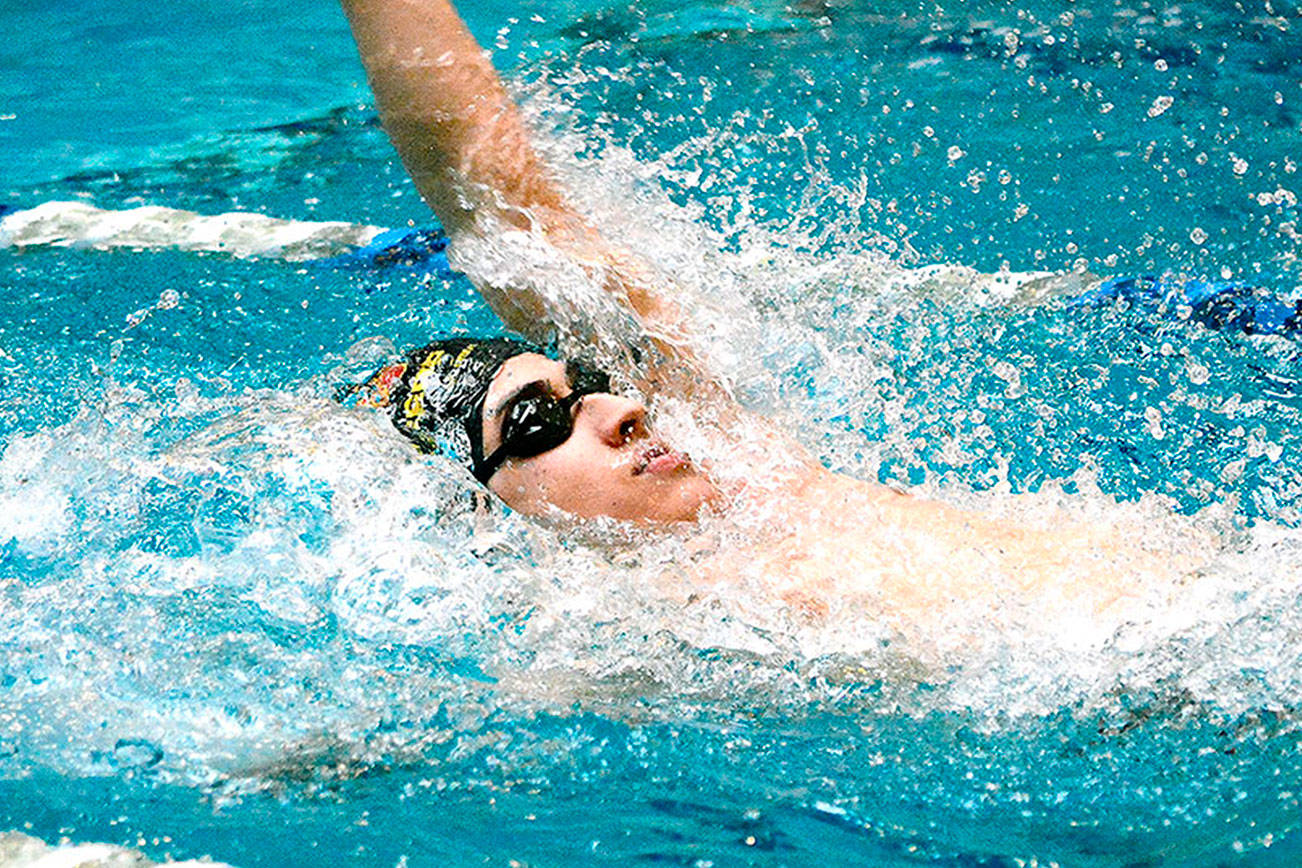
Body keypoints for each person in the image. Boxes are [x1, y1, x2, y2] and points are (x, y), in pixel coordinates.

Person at [340, 0, 1201, 649]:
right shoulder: (614, 644)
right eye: (540, 420)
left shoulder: (758, 478)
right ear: (480, 505)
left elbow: (507, 214)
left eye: (590, 386)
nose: (620, 408)